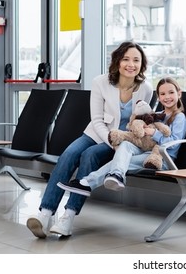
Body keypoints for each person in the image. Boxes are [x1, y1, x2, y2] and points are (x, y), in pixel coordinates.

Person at [26, 41, 154, 238]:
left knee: (89, 156)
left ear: (142, 64)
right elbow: (96, 119)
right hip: (97, 133)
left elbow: (143, 119)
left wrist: (121, 142)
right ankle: (45, 213)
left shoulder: (146, 88)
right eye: (126, 59)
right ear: (118, 61)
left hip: (124, 140)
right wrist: (110, 139)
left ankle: (68, 216)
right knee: (69, 154)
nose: (131, 64)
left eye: (136, 60)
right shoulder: (100, 82)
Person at [58, 77, 186, 197]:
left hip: (161, 159)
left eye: (171, 93)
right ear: (158, 97)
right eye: (163, 94)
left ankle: (88, 182)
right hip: (145, 150)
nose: (167, 97)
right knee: (125, 145)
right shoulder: (156, 115)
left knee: (123, 161)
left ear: (179, 94)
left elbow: (174, 142)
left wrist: (154, 133)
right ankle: (115, 175)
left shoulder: (179, 117)